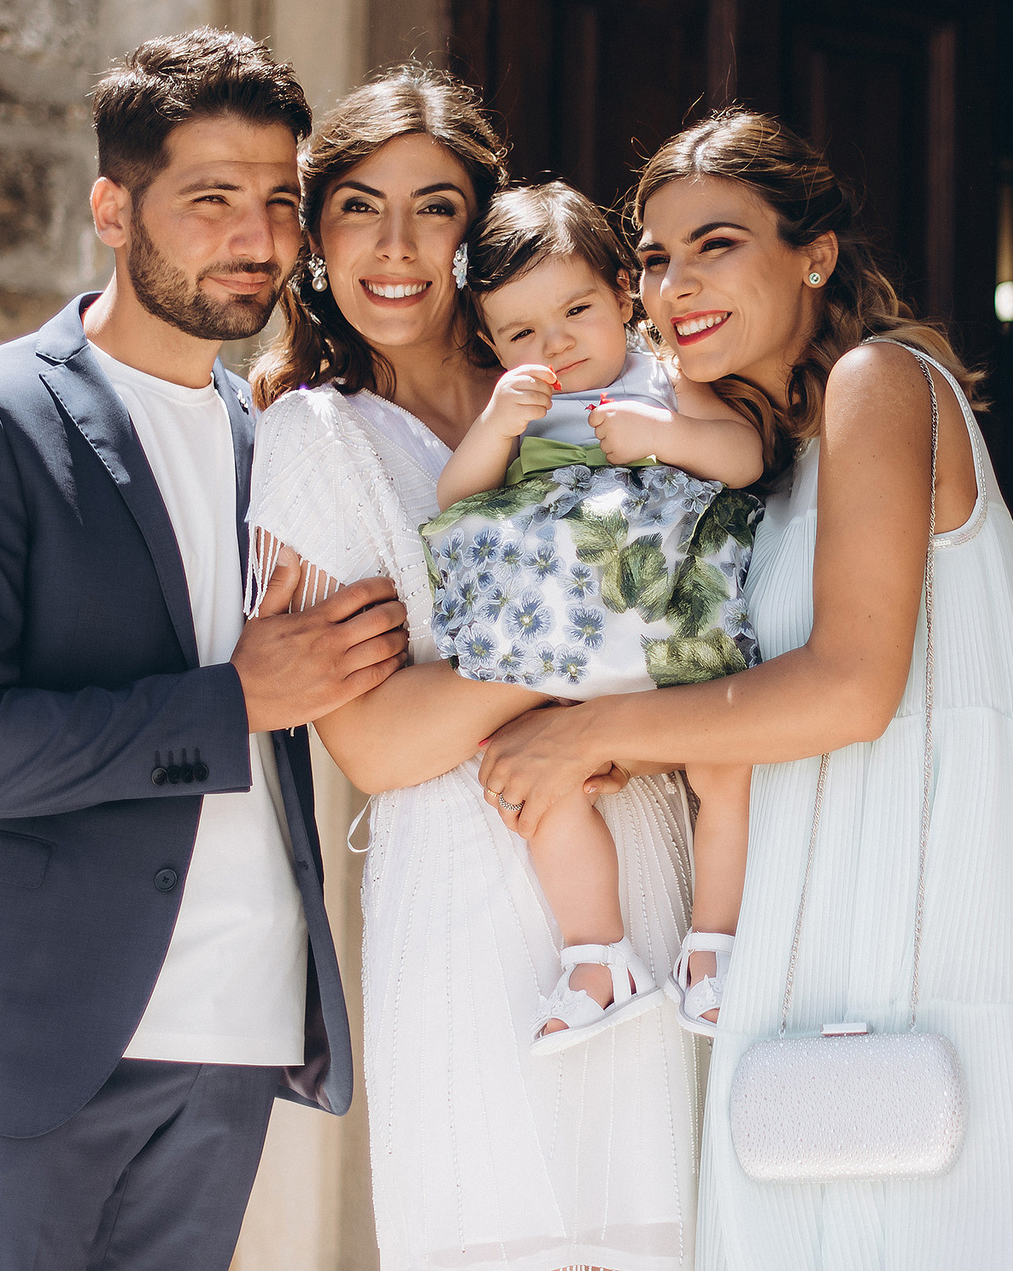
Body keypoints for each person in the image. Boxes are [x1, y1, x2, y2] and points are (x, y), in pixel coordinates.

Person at [476, 111, 1013, 1269]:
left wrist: (588, 732)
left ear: (813, 253)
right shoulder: (772, 458)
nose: (675, 284)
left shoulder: (880, 382)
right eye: (654, 258)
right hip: (814, 934)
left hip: (935, 927)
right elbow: (758, 697)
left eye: (717, 242)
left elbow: (853, 687)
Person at [0, 30, 411, 1271]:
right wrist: (231, 703)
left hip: (234, 1032)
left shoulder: (286, 435)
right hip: (34, 1039)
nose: (259, 237)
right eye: (212, 199)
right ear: (113, 208)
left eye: (281, 201)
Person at [243, 72, 702, 1271]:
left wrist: (521, 651)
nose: (394, 248)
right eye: (356, 207)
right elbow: (381, 745)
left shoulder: (612, 387)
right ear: (314, 237)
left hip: (649, 860)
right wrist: (609, 613)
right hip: (463, 905)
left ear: (481, 230)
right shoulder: (317, 435)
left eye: (434, 207)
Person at [423, 181, 766, 1049]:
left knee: (727, 770)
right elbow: (457, 504)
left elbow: (742, 455)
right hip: (568, 656)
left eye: (577, 309)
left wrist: (663, 436)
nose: (557, 345)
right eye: (521, 333)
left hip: (672, 639)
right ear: (492, 343)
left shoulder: (668, 377)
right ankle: (596, 957)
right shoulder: (522, 410)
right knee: (537, 784)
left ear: (623, 291)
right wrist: (498, 427)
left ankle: (714, 950)